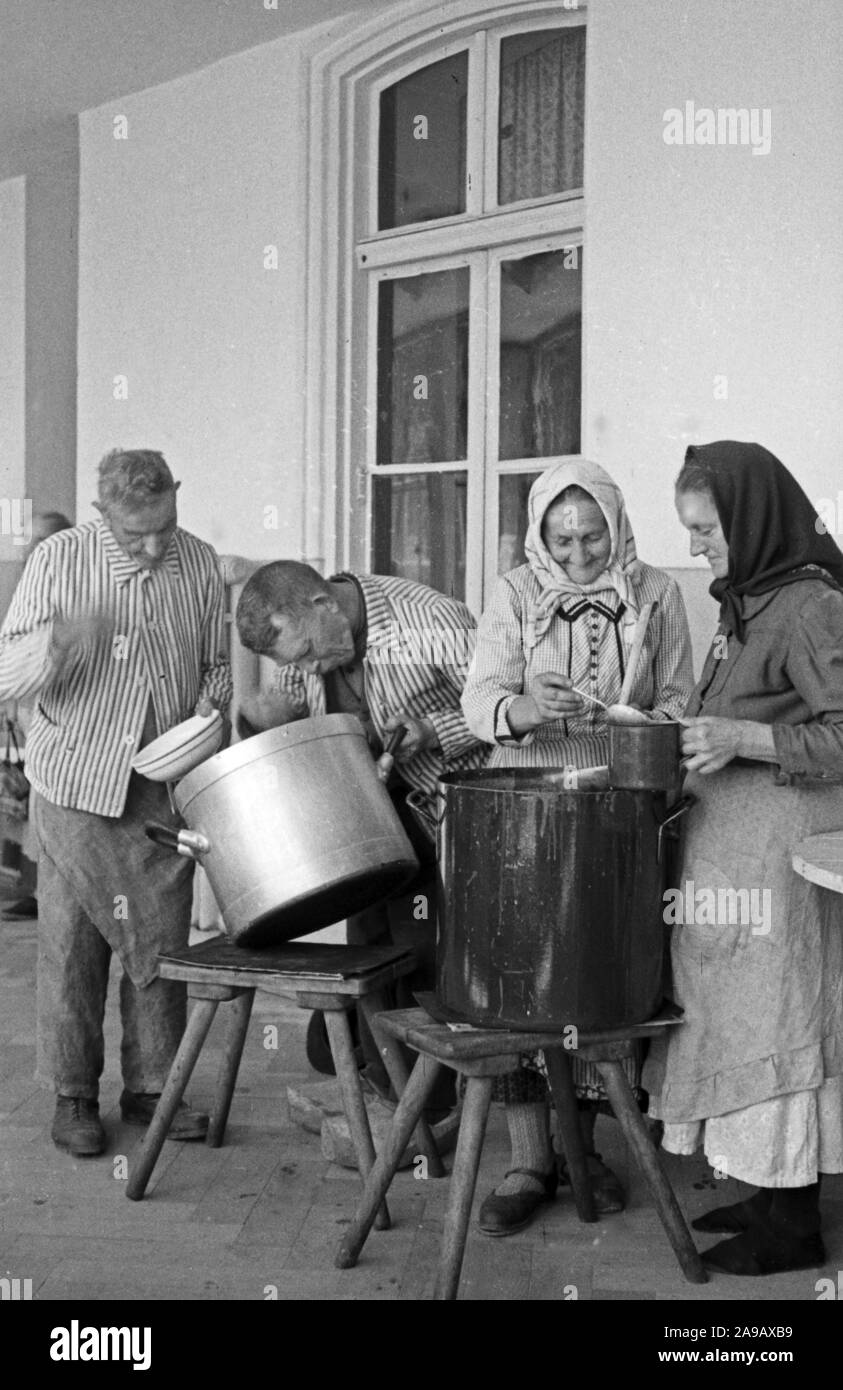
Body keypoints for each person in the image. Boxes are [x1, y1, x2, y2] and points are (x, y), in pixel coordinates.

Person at [461, 459, 694, 1235]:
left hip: (613, 805)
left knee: (595, 971)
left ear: (615, 523)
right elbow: (475, 702)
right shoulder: (514, 592)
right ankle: (530, 1160)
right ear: (540, 536)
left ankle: (584, 1150)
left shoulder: (656, 593)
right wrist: (527, 706)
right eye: (560, 541)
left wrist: (637, 719)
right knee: (524, 974)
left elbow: (677, 701)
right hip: (523, 809)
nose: (578, 556)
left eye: (591, 536)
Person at [643, 441, 843, 1276]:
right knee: (732, 1019)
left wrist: (742, 737)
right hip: (732, 860)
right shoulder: (747, 600)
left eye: (706, 530)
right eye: (689, 532)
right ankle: (766, 1189)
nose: (695, 548)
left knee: (776, 1022)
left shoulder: (809, 607)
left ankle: (793, 1221)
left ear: (751, 518)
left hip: (783, 861)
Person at [0, 450, 232, 1157]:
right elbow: (6, 672)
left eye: (165, 526)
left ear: (176, 498)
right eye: (137, 536)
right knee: (72, 948)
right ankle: (73, 1095)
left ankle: (153, 1088)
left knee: (161, 944)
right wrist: (56, 645)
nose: (155, 545)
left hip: (161, 785)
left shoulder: (198, 562)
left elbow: (218, 662)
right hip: (74, 785)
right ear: (104, 514)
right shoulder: (58, 560)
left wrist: (210, 704)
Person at [234, 561, 488, 1107]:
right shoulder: (304, 641)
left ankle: (425, 1105)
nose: (305, 667)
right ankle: (381, 1078)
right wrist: (261, 720)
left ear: (323, 604)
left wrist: (432, 730)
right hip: (364, 816)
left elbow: (499, 707)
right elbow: (291, 707)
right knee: (369, 950)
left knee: (422, 955)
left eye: (305, 655)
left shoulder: (433, 621)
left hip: (442, 813)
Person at [2, 511, 73, 921]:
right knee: (33, 806)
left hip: (61, 715)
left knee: (48, 806)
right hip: (32, 707)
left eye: (40, 541)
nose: (31, 551)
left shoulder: (75, 586)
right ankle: (36, 889)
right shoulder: (31, 585)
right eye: (29, 544)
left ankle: (48, 894)